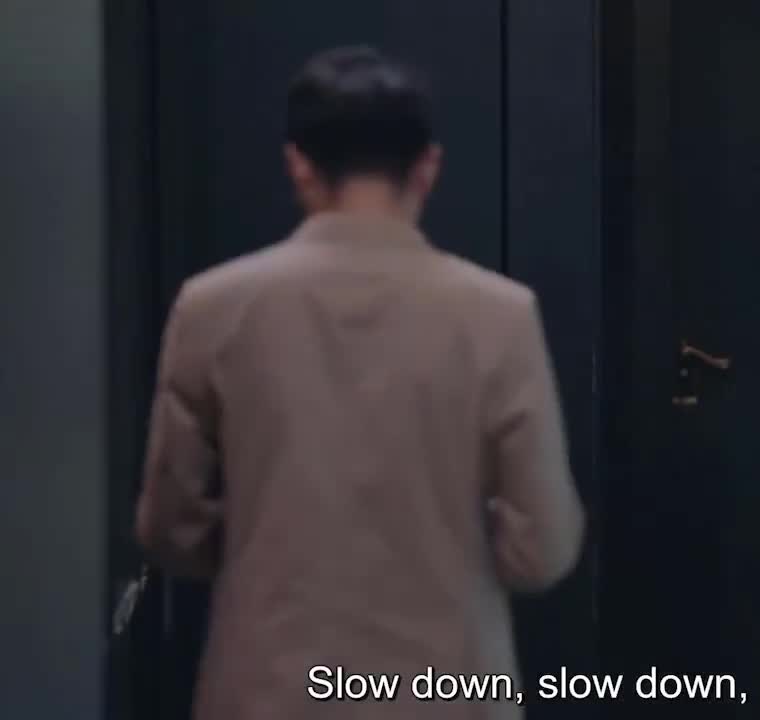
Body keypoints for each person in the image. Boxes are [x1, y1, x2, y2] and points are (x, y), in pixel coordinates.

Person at [134, 46, 585, 720]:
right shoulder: (499, 316)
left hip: (268, 689)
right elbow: (542, 548)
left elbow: (170, 528)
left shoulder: (214, 306)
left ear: (298, 162)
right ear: (427, 166)